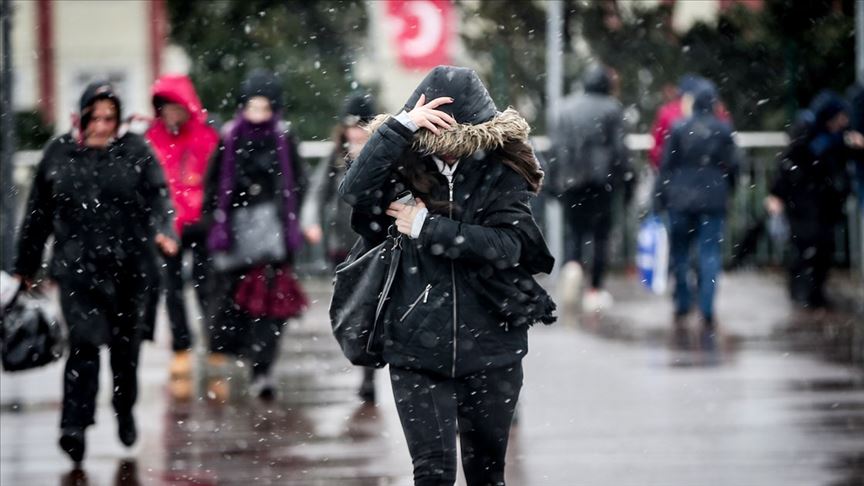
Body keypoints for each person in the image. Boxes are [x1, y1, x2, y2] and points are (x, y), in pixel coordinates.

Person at [339, 65, 556, 486]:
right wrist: (399, 127)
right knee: (433, 475)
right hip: (415, 346)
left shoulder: (502, 171)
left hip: (492, 346)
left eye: (457, 142)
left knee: (487, 475)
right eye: (435, 139)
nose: (447, 152)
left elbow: (508, 246)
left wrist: (429, 228)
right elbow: (355, 193)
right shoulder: (403, 164)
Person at [13, 81, 178, 463]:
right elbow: (38, 214)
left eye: (110, 117)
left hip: (130, 268)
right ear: (82, 116)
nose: (102, 125)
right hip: (77, 270)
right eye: (95, 117)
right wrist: (25, 267)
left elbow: (160, 197)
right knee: (84, 347)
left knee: (125, 351)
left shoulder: (135, 150)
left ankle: (124, 408)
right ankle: (74, 426)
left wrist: (164, 231)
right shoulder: (59, 153)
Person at [202, 69, 308, 401]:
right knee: (234, 306)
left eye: (264, 107)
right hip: (233, 239)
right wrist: (216, 223)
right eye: (253, 106)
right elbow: (213, 185)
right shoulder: (230, 138)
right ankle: (247, 358)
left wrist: (287, 221)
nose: (258, 114)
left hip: (273, 240)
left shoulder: (283, 138)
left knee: (270, 308)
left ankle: (263, 369)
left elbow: (297, 184)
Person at [301, 92, 379, 402]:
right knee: (351, 308)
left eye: (360, 126)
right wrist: (311, 222)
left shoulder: (381, 154)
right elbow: (317, 193)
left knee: (371, 307)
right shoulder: (336, 158)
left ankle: (368, 373)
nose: (355, 133)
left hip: (374, 242)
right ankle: (360, 358)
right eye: (350, 126)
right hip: (343, 246)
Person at [145, 74, 219, 385]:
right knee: (171, 289)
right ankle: (181, 346)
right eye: (166, 108)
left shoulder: (205, 135)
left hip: (200, 223)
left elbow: (215, 180)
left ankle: (215, 343)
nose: (171, 114)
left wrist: (209, 213)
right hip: (169, 227)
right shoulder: (152, 138)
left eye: (176, 107)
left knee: (208, 288)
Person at [655, 80, 739, 348]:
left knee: (680, 253)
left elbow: (666, 166)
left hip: (680, 199)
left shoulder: (679, 128)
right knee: (709, 253)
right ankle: (706, 308)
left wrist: (661, 198)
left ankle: (682, 304)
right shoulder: (723, 130)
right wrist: (728, 189)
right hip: (713, 199)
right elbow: (735, 165)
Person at [766, 91, 863, 309]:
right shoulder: (808, 134)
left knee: (821, 250)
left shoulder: (838, 138)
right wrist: (777, 195)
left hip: (824, 204)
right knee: (804, 248)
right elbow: (787, 164)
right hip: (803, 203)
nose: (844, 121)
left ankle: (814, 294)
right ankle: (802, 294)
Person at [550, 63, 634, 313]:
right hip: (601, 181)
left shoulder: (565, 107)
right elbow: (620, 151)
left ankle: (573, 266)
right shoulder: (612, 109)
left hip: (571, 179)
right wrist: (626, 179)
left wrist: (553, 182)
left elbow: (555, 148)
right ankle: (594, 290)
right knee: (600, 235)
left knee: (574, 231)